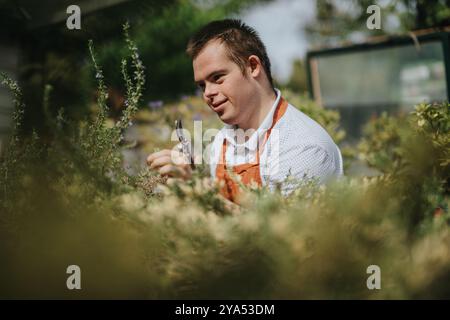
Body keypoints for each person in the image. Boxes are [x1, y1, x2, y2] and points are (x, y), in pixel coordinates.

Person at [147, 19, 343, 203]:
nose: (208, 93)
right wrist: (189, 176)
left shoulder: (303, 147)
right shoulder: (222, 140)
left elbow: (285, 236)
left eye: (217, 77)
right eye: (202, 85)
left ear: (253, 66)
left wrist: (197, 190)